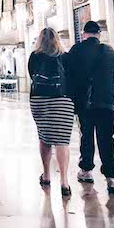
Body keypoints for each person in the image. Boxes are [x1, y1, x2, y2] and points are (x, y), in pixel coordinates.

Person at [68, 21, 114, 194]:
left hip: (85, 103)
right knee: (107, 139)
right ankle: (111, 178)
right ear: (98, 34)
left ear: (83, 34)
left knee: (86, 136)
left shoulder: (76, 50)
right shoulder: (108, 50)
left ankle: (86, 170)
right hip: (106, 102)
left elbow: (69, 75)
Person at [28, 27, 74, 197]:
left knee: (44, 137)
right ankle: (64, 181)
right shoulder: (66, 56)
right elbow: (72, 77)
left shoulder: (34, 56)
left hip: (39, 99)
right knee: (62, 141)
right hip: (61, 98)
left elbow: (32, 76)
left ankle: (46, 175)